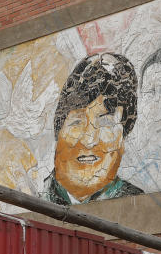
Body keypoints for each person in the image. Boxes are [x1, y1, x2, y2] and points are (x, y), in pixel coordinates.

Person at [43, 53, 143, 204]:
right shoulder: (36, 196)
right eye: (77, 123)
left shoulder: (138, 204)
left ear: (122, 140)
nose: (89, 141)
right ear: (59, 132)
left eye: (106, 123)